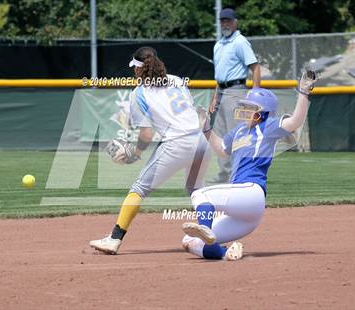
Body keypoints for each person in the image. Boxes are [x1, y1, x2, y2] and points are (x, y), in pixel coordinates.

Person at [181, 70, 318, 261]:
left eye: (250, 107)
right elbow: (221, 148)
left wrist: (303, 93)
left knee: (200, 194)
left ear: (262, 113)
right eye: (244, 106)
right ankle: (225, 253)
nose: (244, 110)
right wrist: (206, 128)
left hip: (252, 193)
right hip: (244, 215)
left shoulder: (268, 127)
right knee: (188, 241)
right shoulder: (239, 131)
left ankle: (206, 228)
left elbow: (295, 121)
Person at [90, 46, 211, 255]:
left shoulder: (139, 93)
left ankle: (114, 239)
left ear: (139, 69)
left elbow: (146, 134)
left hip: (177, 143)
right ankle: (209, 229)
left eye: (134, 69)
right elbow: (191, 112)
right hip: (200, 141)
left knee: (139, 189)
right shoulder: (177, 80)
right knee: (196, 188)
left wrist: (134, 154)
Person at [209, 7, 261, 183]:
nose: (225, 23)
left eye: (228, 20)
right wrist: (215, 97)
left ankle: (238, 174)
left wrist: (256, 93)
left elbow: (255, 67)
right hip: (222, 91)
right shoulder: (219, 45)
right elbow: (219, 76)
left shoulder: (240, 41)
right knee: (220, 136)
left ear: (235, 22)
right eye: (222, 20)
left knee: (236, 135)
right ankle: (224, 175)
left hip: (236, 91)